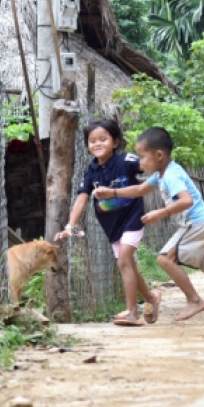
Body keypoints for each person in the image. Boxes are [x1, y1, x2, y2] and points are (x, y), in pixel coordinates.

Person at [95, 127, 204, 322]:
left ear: (158, 155)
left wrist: (162, 212)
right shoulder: (161, 175)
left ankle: (194, 300)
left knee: (165, 259)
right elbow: (140, 189)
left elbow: (186, 201)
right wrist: (113, 193)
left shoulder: (171, 175)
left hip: (197, 223)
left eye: (142, 157)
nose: (140, 162)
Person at [56, 119, 162, 327]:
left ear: (115, 142)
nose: (97, 144)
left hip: (132, 219)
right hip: (111, 225)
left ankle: (132, 311)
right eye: (92, 140)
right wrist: (70, 225)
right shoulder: (91, 171)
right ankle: (151, 297)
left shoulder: (126, 161)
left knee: (123, 260)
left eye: (103, 139)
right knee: (128, 264)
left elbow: (150, 165)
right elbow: (82, 198)